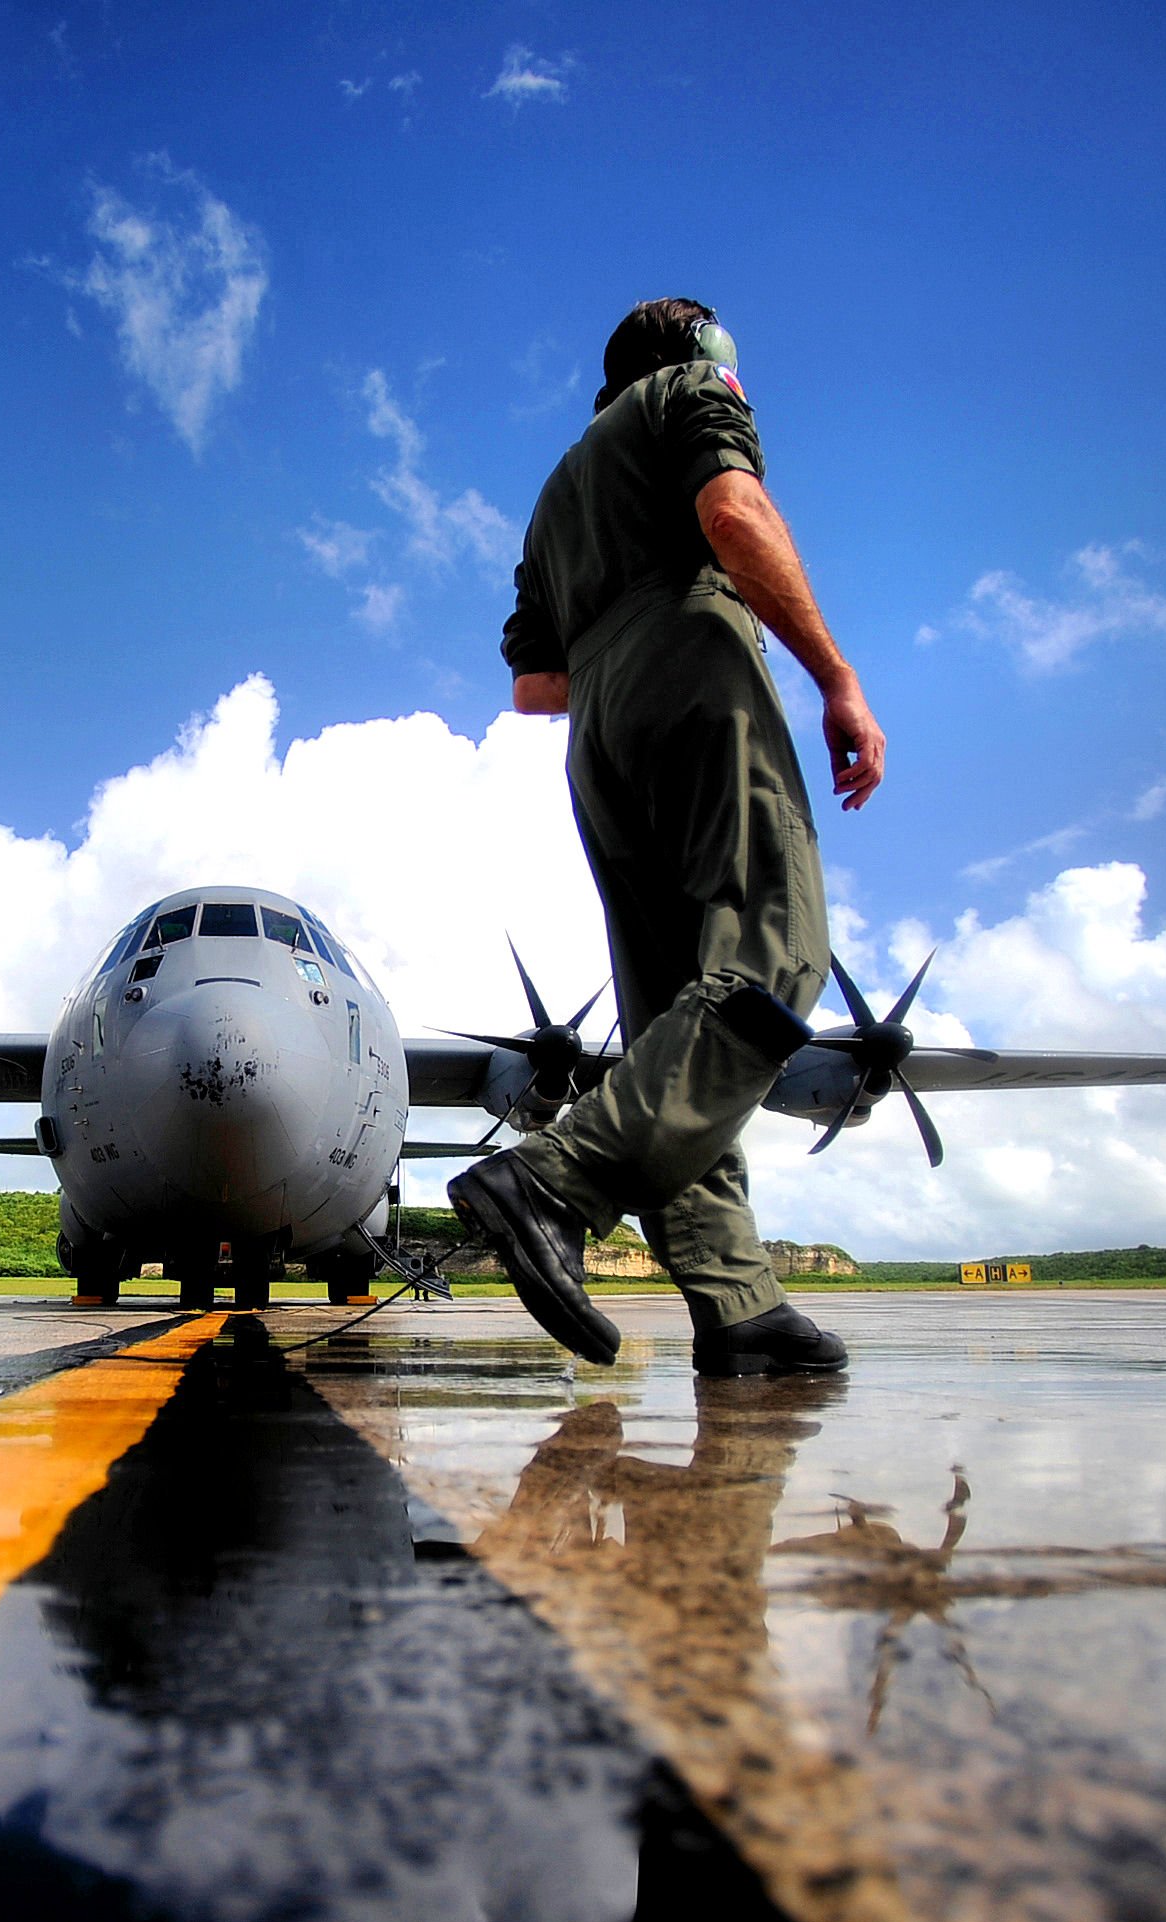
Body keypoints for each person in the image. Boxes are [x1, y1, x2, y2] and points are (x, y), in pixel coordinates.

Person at [449, 298, 883, 1377]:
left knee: (670, 1020)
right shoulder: (691, 393)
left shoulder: (554, 497)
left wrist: (614, 654)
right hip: (694, 663)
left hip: (597, 729)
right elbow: (734, 515)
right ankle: (555, 1179)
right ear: (701, 355)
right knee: (773, 950)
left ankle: (734, 1300)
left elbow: (531, 686)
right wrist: (834, 676)